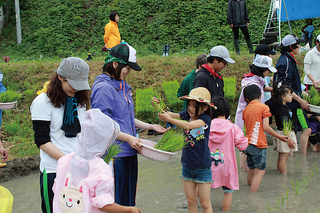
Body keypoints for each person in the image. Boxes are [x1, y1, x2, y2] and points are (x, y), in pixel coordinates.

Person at [90, 43, 168, 207]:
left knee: (128, 202)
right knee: (115, 202)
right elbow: (102, 125)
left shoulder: (123, 87)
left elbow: (126, 118)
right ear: (115, 64)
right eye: (127, 67)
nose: (129, 72)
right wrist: (129, 138)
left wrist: (151, 126)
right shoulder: (104, 89)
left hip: (130, 151)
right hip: (114, 155)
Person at [30, 57, 91, 213]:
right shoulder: (42, 102)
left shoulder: (80, 101)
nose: (75, 89)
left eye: (79, 85)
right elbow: (42, 141)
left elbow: (83, 135)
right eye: (72, 83)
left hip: (78, 170)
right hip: (54, 171)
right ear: (60, 77)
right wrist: (67, 161)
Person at [52, 109, 141, 213]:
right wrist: (128, 210)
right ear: (103, 142)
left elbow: (56, 188)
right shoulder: (100, 168)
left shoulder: (67, 159)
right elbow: (104, 205)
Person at [155, 87, 215, 213]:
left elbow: (189, 125)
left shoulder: (205, 119)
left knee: (205, 203)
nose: (191, 109)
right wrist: (157, 106)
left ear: (205, 107)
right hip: (187, 165)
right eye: (189, 105)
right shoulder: (187, 115)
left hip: (202, 167)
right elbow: (170, 115)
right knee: (191, 201)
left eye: (195, 106)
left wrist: (170, 121)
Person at [242, 84, 291, 192]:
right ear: (260, 95)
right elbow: (266, 127)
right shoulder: (264, 107)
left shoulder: (245, 110)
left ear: (246, 98)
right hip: (259, 144)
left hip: (248, 144)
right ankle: (253, 195)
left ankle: (248, 190)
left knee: (251, 169)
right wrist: (280, 137)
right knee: (260, 171)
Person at [235, 55, 277, 172]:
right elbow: (246, 107)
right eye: (268, 70)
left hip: (249, 120)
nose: (268, 72)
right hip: (250, 122)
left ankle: (247, 176)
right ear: (262, 70)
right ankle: (248, 173)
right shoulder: (252, 85)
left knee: (246, 148)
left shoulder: (253, 80)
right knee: (246, 149)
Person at [209, 97, 248, 211]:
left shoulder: (206, 126)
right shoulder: (233, 127)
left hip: (208, 166)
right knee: (228, 192)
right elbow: (242, 146)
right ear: (227, 111)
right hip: (227, 167)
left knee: (202, 189)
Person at [275, 34, 311, 155]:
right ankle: (301, 160)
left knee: (292, 131)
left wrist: (302, 92)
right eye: (298, 44)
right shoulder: (286, 62)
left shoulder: (287, 59)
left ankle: (291, 164)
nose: (299, 46)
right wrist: (300, 100)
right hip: (293, 104)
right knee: (303, 130)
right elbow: (285, 86)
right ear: (291, 46)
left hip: (292, 101)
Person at [272, 84, 298, 175]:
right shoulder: (283, 110)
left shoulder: (278, 107)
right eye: (290, 95)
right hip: (285, 135)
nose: (291, 97)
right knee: (284, 158)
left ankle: (280, 173)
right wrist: (289, 140)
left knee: (280, 157)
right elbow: (286, 126)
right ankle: (283, 176)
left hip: (279, 133)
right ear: (283, 97)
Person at [254, 44, 277, 123]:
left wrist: (269, 78)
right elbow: (261, 86)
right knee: (265, 121)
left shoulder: (259, 69)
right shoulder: (258, 68)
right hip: (264, 98)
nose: (269, 56)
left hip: (266, 97)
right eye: (267, 54)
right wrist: (274, 90)